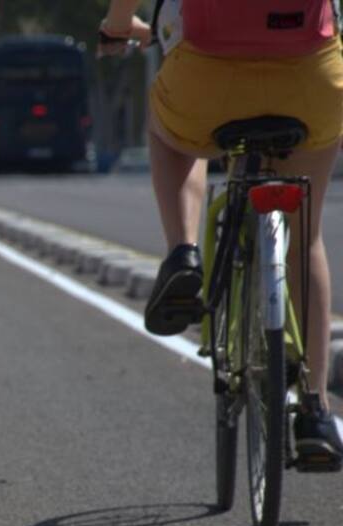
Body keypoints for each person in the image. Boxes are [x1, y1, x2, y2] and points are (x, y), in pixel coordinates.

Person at [100, 0, 343, 467]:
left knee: (170, 133)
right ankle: (315, 409)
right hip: (311, 81)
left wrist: (117, 26)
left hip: (209, 82)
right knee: (305, 236)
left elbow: (151, 21)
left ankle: (182, 250)